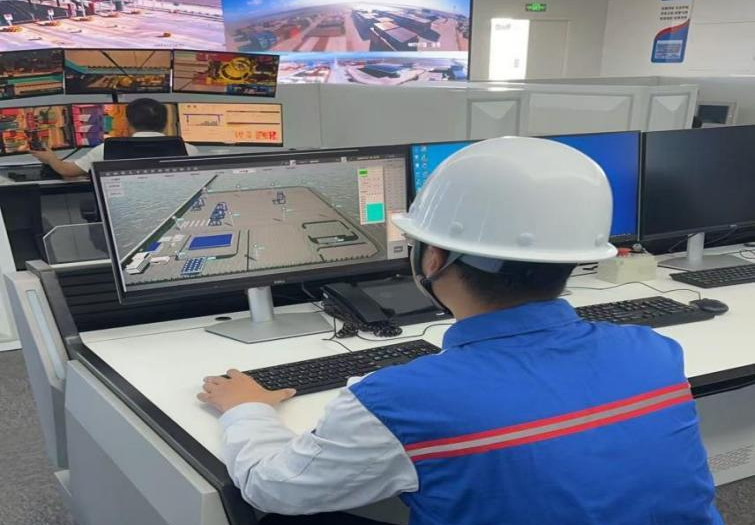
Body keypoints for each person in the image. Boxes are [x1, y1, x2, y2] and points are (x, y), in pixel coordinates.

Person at [198, 137, 722, 525]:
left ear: (433, 258)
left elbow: (274, 488)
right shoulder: (653, 350)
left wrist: (247, 409)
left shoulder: (400, 400)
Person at [31, 98, 198, 177]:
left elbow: (67, 171)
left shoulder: (107, 149)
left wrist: (50, 158)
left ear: (128, 123)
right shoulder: (189, 150)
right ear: (166, 123)